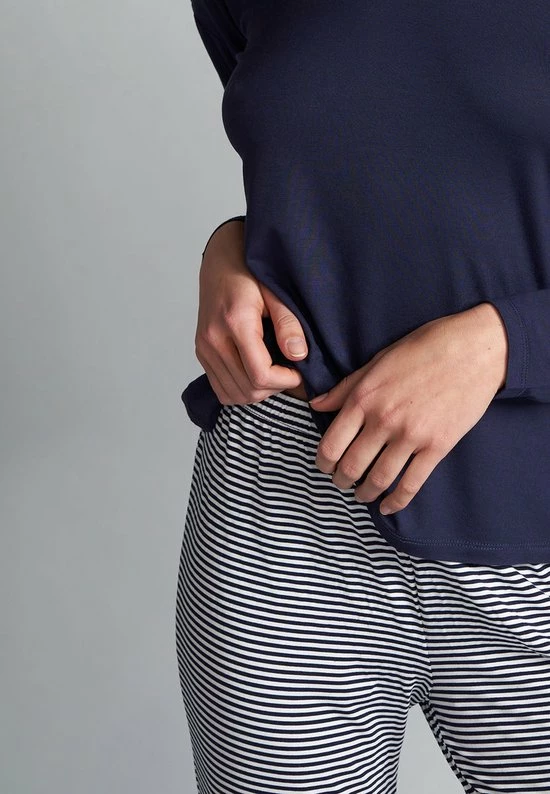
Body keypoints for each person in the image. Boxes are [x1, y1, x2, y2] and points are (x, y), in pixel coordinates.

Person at [175, 2, 550, 791]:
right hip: (282, 513)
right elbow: (326, 163)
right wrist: (231, 248)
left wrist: (505, 342)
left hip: (530, 524)